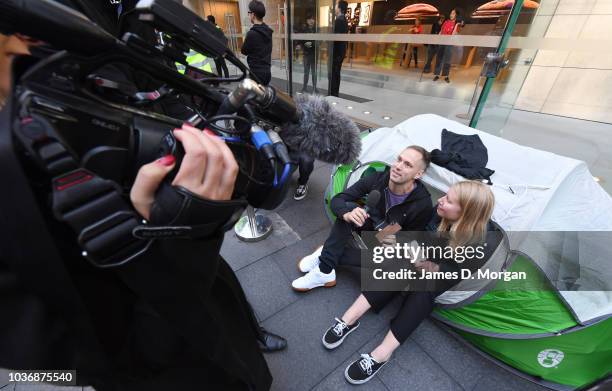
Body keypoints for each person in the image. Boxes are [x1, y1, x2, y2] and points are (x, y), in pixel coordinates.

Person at [0, 29, 282, 391]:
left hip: (202, 294)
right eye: (7, 48)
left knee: (230, 319)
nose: (20, 44)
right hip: (169, 363)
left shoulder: (40, 90)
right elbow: (75, 369)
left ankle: (254, 333)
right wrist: (175, 238)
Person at [321, 181, 501, 385]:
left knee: (424, 291)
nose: (440, 201)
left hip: (439, 275)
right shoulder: (439, 211)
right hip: (421, 256)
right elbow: (416, 237)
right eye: (445, 196)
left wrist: (427, 266)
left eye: (449, 201)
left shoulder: (481, 244)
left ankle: (382, 354)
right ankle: (347, 321)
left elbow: (449, 275)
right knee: (396, 265)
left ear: (466, 214)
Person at [291, 146, 434, 291]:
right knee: (350, 209)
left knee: (391, 262)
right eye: (399, 160)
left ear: (418, 174)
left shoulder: (423, 204)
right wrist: (347, 214)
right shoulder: (378, 179)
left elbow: (412, 241)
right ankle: (324, 271)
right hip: (371, 221)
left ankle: (326, 253)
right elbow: (338, 200)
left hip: (390, 239)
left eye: (407, 165)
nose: (398, 166)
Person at [241, 0, 273, 85]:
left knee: (256, 97)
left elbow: (243, 51)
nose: (248, 15)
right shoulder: (268, 31)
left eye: (249, 13)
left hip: (256, 74)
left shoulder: (252, 33)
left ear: (253, 14)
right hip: (267, 72)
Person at [433, 8, 463, 83]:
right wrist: (438, 39)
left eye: (453, 13)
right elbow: (441, 31)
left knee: (447, 60)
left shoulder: (457, 25)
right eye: (451, 13)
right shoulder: (446, 21)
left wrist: (456, 24)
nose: (451, 15)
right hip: (442, 42)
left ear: (456, 15)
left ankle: (446, 76)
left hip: (449, 43)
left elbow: (453, 34)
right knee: (439, 58)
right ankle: (437, 74)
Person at [330, 0, 348, 97]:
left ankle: (333, 93)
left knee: (334, 73)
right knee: (337, 73)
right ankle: (335, 93)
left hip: (337, 52)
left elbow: (335, 39)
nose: (335, 8)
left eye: (336, 6)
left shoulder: (339, 21)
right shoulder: (344, 20)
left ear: (340, 8)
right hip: (340, 52)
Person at [296, 14, 317, 94]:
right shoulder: (304, 30)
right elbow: (301, 41)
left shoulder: (316, 30)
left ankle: (314, 88)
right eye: (310, 19)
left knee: (314, 72)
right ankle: (304, 87)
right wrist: (304, 45)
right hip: (307, 54)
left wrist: (311, 44)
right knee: (306, 72)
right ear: (307, 21)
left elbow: (320, 41)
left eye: (313, 19)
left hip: (314, 54)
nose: (312, 21)